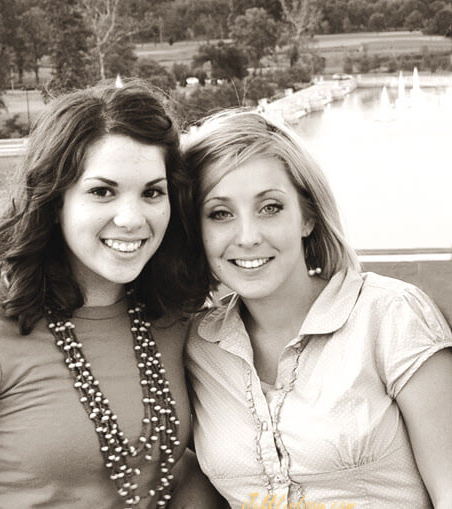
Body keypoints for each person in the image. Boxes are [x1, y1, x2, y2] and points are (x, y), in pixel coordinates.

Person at [0, 80, 214, 509]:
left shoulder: (174, 319)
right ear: (56, 199)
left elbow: (169, 470)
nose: (132, 218)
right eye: (102, 192)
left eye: (152, 192)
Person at [180, 109, 452, 508]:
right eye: (220, 214)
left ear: (306, 216)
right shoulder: (197, 346)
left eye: (270, 207)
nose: (248, 236)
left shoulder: (390, 315)